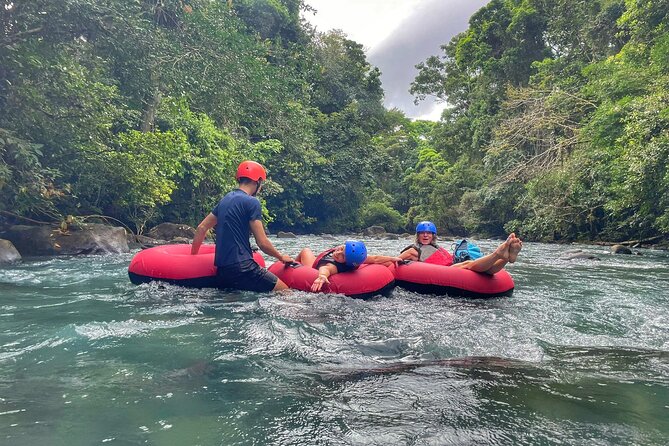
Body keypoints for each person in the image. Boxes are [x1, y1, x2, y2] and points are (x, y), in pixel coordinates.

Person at [191, 160, 293, 292]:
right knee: (286, 292)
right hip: (244, 267)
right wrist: (281, 257)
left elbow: (201, 228)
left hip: (223, 271)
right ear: (257, 181)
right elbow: (262, 243)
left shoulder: (225, 200)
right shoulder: (252, 202)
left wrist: (193, 257)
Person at [398, 221, 522, 275]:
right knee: (468, 264)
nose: (425, 235)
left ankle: (506, 258)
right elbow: (396, 261)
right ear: (417, 235)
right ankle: (497, 254)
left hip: (450, 266)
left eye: (428, 233)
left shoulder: (435, 247)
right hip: (445, 271)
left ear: (433, 236)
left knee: (487, 271)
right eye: (422, 233)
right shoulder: (412, 250)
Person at [293, 240, 403, 292]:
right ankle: (296, 264)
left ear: (347, 262)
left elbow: (326, 268)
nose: (337, 253)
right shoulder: (354, 259)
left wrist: (322, 276)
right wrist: (392, 258)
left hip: (313, 267)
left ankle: (294, 267)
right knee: (306, 250)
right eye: (341, 248)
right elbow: (374, 259)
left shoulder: (336, 266)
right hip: (322, 261)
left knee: (305, 250)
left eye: (342, 256)